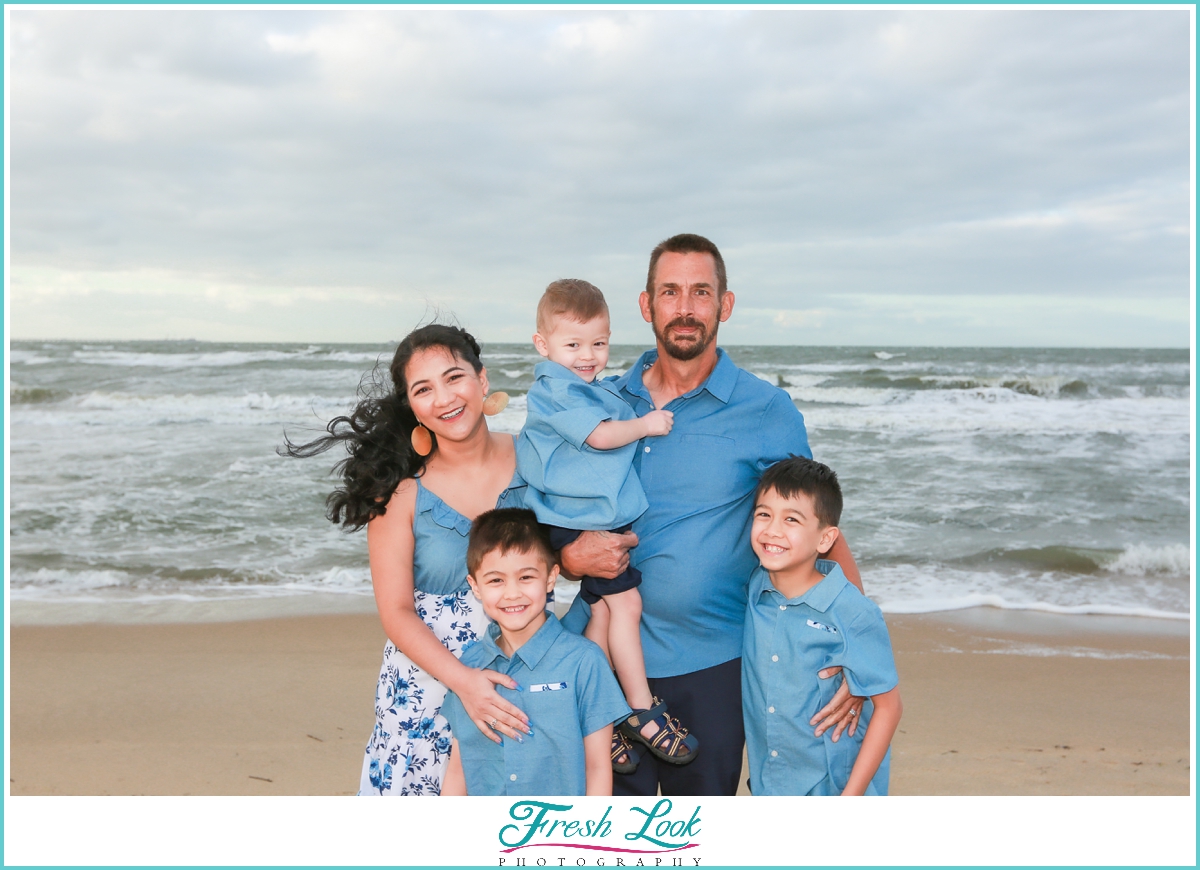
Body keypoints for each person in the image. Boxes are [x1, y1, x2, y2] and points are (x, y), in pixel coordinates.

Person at [560, 233, 865, 796]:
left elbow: (815, 529)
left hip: (716, 664)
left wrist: (856, 646)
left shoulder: (767, 410)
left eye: (700, 292)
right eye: (670, 292)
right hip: (598, 657)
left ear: (724, 305)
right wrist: (568, 555)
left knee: (696, 838)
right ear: (646, 305)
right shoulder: (597, 403)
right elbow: (543, 502)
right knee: (606, 836)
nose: (684, 308)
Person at [284, 324, 534, 796]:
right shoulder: (400, 492)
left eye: (454, 377)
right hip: (426, 693)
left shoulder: (534, 461)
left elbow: (561, 560)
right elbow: (396, 612)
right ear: (413, 408)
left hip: (517, 682)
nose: (444, 398)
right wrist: (467, 683)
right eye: (424, 389)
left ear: (482, 381)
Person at [516, 278, 698, 775]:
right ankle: (640, 708)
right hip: (571, 524)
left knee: (599, 613)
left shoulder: (581, 387)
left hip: (573, 519)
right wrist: (648, 424)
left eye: (598, 343)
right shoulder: (557, 392)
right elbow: (598, 437)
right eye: (572, 345)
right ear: (543, 345)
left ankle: (586, 706)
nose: (587, 355)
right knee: (628, 603)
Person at [440, 508, 630, 796]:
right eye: (495, 580)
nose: (512, 593)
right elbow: (458, 771)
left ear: (551, 578)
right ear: (475, 587)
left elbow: (597, 767)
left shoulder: (584, 662)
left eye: (526, 577)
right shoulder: (468, 668)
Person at [743, 457, 901, 795]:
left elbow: (889, 707)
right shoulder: (757, 590)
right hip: (771, 785)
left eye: (792, 520)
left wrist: (851, 796)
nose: (773, 530)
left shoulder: (852, 612)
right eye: (763, 514)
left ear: (825, 539)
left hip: (835, 787)